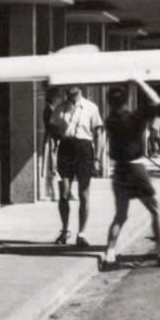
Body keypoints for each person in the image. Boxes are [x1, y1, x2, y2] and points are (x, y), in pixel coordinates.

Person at [100, 79, 160, 269]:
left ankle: (109, 254)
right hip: (136, 169)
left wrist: (127, 89)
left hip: (119, 170)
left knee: (120, 215)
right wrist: (138, 82)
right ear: (127, 101)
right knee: (155, 210)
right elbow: (157, 103)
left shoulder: (111, 120)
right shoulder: (134, 118)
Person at [50, 85, 105, 245]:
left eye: (73, 87)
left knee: (84, 194)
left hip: (84, 149)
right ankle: (65, 230)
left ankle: (81, 233)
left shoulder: (91, 107)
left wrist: (97, 158)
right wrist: (52, 157)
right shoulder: (60, 109)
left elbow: (99, 133)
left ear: (79, 89)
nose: (70, 91)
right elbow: (53, 134)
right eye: (68, 88)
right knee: (64, 194)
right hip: (65, 149)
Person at [40, 87, 65, 201]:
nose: (60, 98)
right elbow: (51, 126)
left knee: (56, 166)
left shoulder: (55, 108)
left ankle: (58, 192)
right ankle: (54, 193)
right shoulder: (49, 109)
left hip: (56, 139)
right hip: (51, 139)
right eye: (58, 96)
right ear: (53, 97)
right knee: (53, 166)